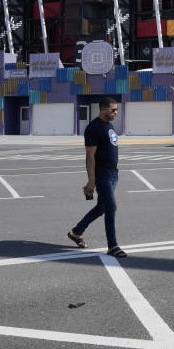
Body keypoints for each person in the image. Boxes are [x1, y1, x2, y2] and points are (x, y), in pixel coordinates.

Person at [67, 96, 126, 257]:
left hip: (113, 174)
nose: (115, 112)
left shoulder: (109, 125)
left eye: (116, 110)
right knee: (111, 207)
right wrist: (91, 180)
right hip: (102, 175)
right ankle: (112, 246)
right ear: (103, 110)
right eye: (112, 110)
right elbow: (90, 156)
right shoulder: (93, 127)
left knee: (102, 207)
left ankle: (76, 232)